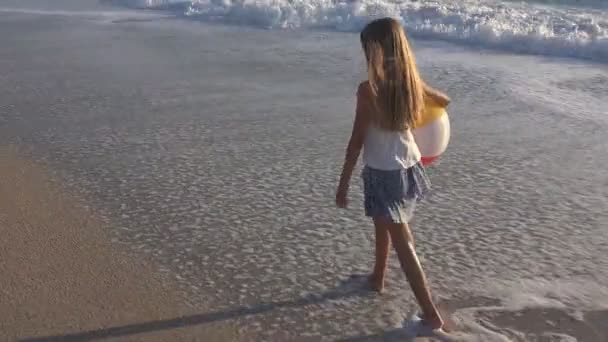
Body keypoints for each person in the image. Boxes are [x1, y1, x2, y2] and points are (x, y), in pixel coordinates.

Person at [335, 17, 450, 334]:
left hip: (383, 171)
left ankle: (431, 315)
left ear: (375, 52)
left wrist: (343, 183)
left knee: (403, 241)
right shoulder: (411, 83)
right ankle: (377, 277)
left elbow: (356, 141)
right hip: (409, 166)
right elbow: (445, 101)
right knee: (384, 223)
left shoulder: (368, 90)